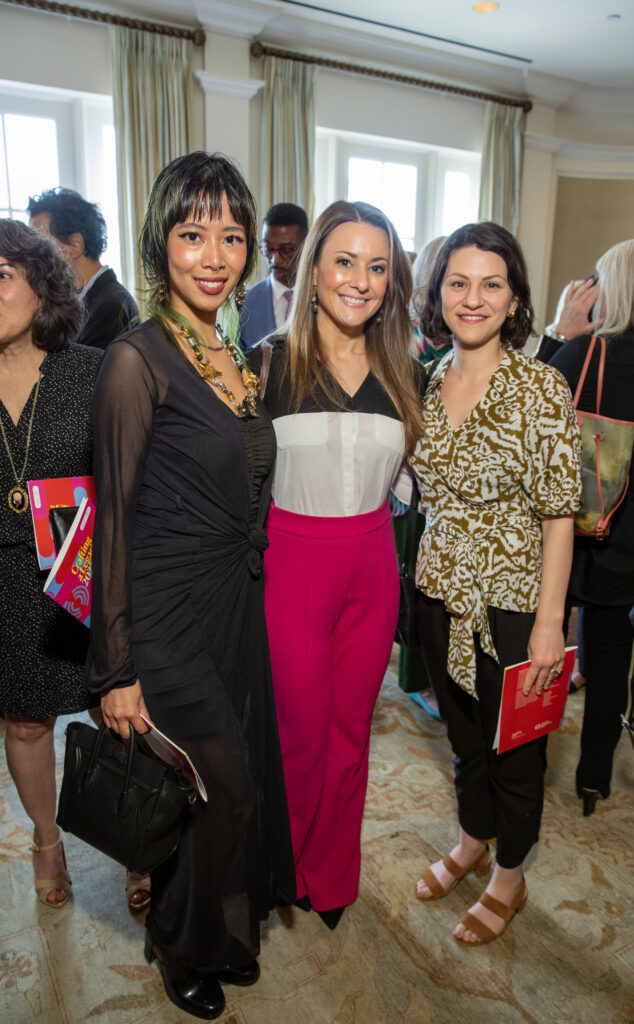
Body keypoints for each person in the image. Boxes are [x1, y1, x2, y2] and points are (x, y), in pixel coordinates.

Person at [86, 152, 295, 1020]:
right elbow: (112, 525)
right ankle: (178, 942)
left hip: (231, 607)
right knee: (226, 790)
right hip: (164, 617)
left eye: (232, 236)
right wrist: (114, 671)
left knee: (220, 794)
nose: (214, 256)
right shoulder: (135, 360)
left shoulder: (230, 352)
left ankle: (216, 934)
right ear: (159, 244)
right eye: (192, 234)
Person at [250, 200, 423, 929]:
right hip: (292, 562)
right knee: (296, 733)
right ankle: (279, 866)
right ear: (313, 269)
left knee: (351, 732)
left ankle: (330, 874)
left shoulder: (406, 371)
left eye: (377, 266)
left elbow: (411, 481)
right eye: (345, 261)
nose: (360, 279)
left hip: (371, 565)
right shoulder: (264, 364)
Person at [412, 222, 582, 946]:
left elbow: (559, 515)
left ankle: (509, 875)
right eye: (458, 282)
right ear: (439, 293)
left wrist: (549, 622)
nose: (473, 298)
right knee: (462, 737)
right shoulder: (427, 379)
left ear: (514, 298)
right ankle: (471, 841)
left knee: (515, 752)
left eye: (491, 284)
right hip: (436, 589)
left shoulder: (540, 387)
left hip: (512, 603)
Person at [537, 238, 634, 815]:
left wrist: (558, 335)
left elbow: (523, 418)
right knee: (610, 666)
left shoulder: (584, 354)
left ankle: (529, 765)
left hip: (570, 539)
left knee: (544, 654)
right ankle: (594, 779)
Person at [0, 218, 101, 908]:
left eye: (1, 275)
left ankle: (138, 838)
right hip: (6, 581)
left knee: (115, 711)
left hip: (85, 567)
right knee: (26, 722)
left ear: (42, 284)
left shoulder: (92, 372)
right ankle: (46, 838)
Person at [392, 234, 449, 720]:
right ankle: (418, 680)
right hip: (410, 486)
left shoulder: (455, 341)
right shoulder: (409, 340)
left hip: (433, 490)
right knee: (413, 580)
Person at [28, 187, 138, 349]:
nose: (33, 257)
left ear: (75, 245)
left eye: (41, 245)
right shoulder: (81, 300)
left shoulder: (110, 306)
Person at [239, 202, 309, 349]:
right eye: (268, 249)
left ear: (307, 247)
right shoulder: (244, 305)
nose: (275, 260)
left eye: (286, 250)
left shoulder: (323, 299)